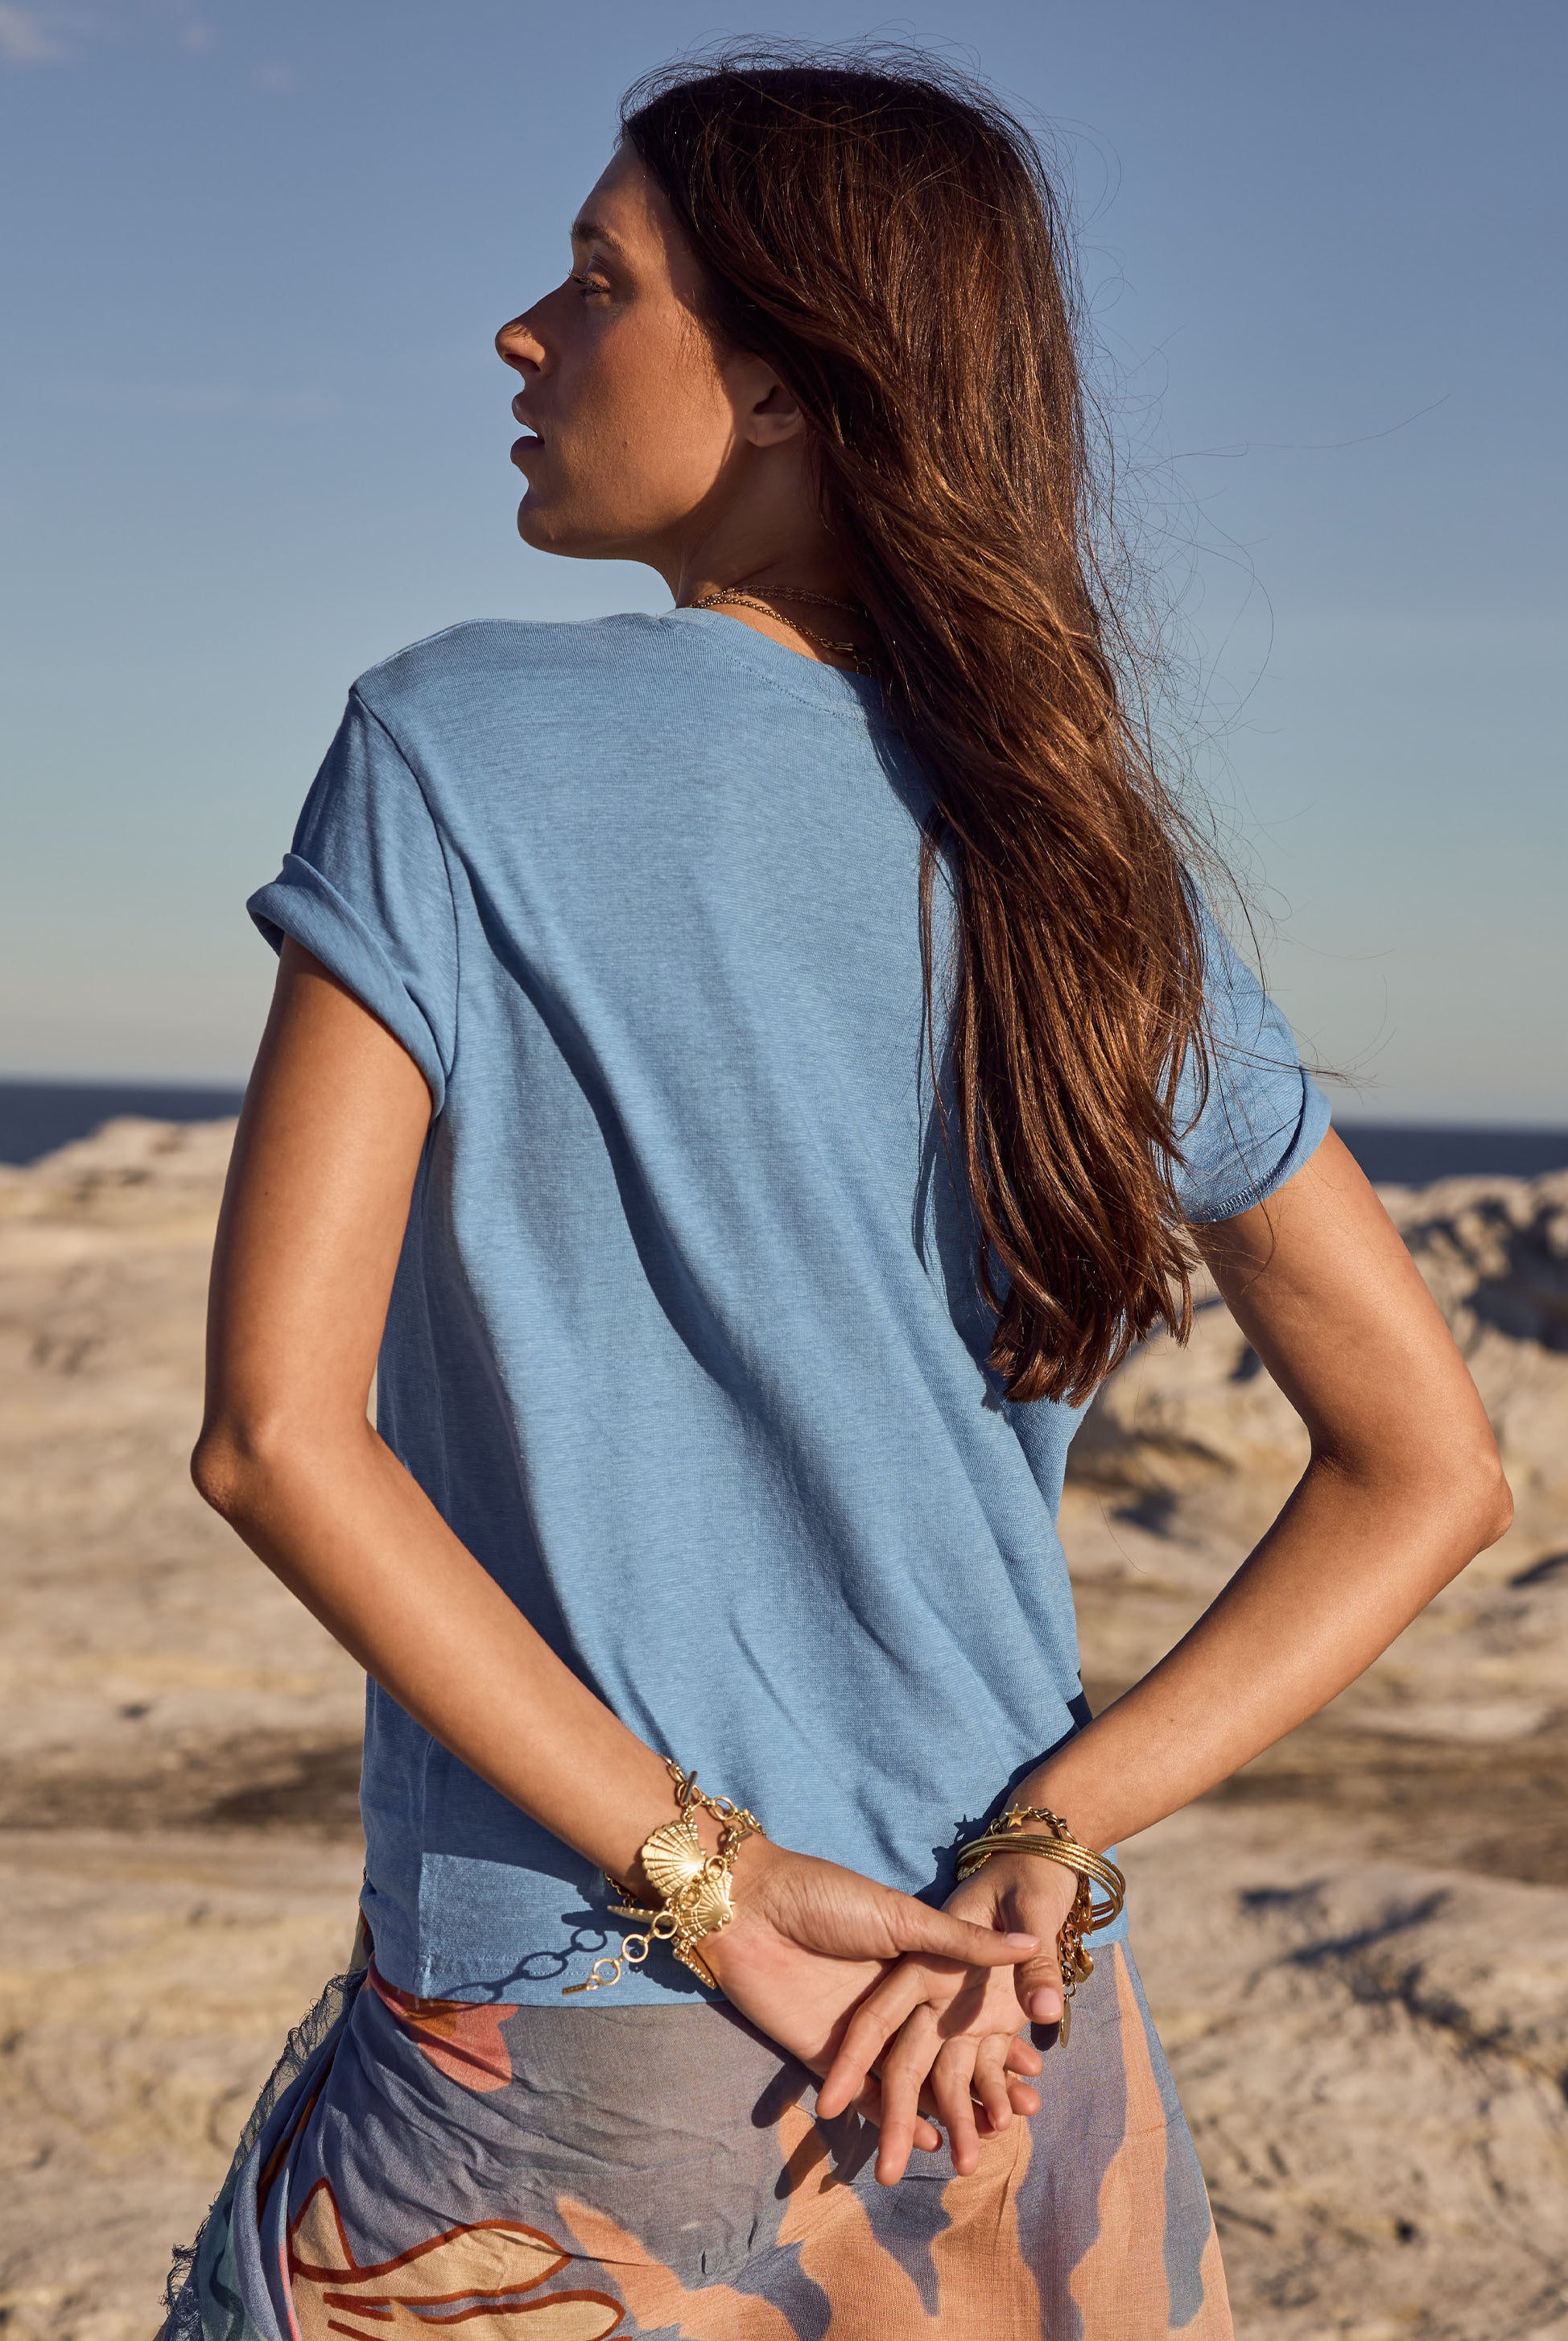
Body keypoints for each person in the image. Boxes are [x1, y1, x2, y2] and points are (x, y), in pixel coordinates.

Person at [161, 50, 1510, 2341]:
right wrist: (1047, 1845)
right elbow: (1434, 1468)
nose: (524, 334)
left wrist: (715, 1879)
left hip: (594, 2048)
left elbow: (276, 1439)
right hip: (1027, 2058)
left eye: (596, 283)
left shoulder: (448, 746)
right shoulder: (1092, 873)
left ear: (787, 382)